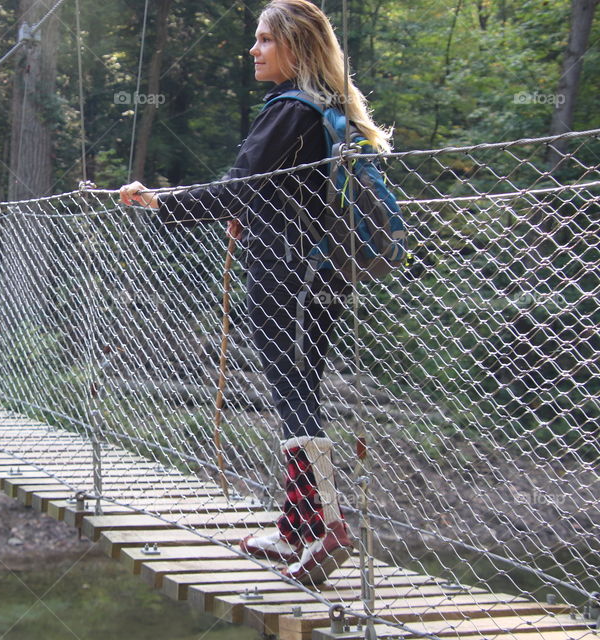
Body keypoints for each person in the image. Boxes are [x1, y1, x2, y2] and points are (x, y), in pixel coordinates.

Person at [118, 0, 392, 585]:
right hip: (319, 272)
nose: (254, 49)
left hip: (285, 275)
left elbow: (236, 190)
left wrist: (157, 201)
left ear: (295, 47)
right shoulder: (321, 108)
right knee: (300, 389)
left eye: (265, 39)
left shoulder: (290, 110)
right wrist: (257, 209)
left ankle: (327, 528)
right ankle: (296, 526)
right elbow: (283, 192)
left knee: (293, 394)